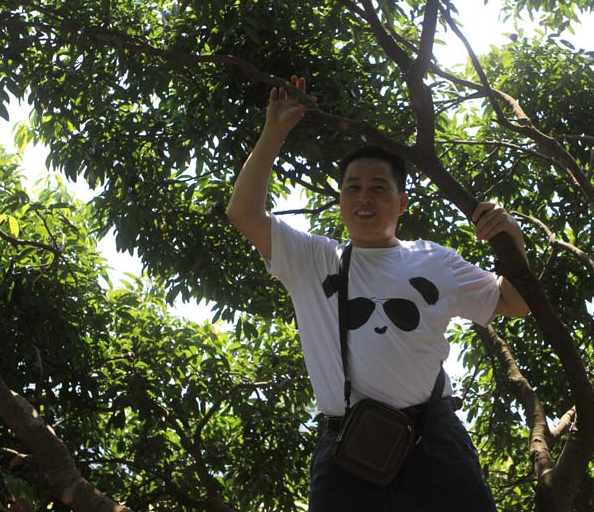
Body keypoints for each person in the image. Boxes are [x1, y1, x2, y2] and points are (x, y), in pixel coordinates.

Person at [227, 75, 530, 512]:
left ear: (402, 202)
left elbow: (515, 304)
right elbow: (243, 212)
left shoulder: (435, 260)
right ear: (340, 200)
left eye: (378, 188)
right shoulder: (312, 259)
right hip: (346, 447)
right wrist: (274, 132)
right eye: (352, 187)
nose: (363, 197)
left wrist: (512, 239)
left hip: (434, 439)